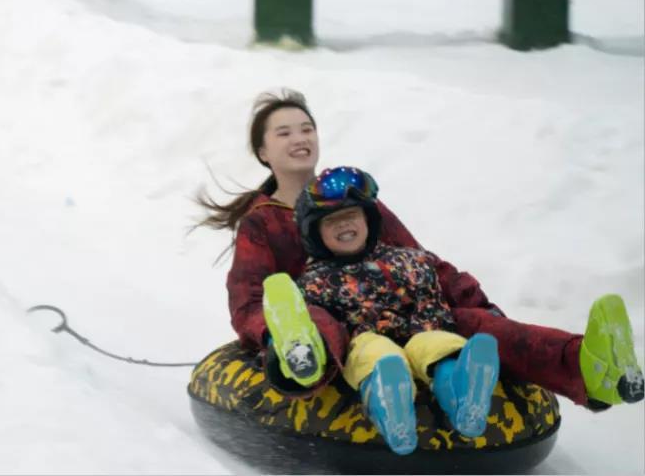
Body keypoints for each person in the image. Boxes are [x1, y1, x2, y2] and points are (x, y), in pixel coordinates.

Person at [198, 89, 645, 412]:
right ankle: (300, 351)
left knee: (480, 327)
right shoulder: (263, 221)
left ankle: (595, 369)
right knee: (319, 322)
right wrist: (269, 334)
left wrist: (480, 309)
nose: (300, 138)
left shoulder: (354, 198)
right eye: (283, 132)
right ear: (262, 151)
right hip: (335, 323)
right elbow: (251, 298)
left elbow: (420, 263)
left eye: (307, 128)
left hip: (404, 318)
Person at [266, 165, 501, 455]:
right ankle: (391, 408)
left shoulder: (409, 260)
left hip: (420, 333)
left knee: (441, 345)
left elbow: (444, 293)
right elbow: (318, 326)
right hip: (364, 341)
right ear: (314, 233)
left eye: (351, 215)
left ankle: (463, 397)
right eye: (331, 222)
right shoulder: (314, 281)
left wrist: (484, 312)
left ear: (369, 219)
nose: (343, 225)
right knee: (376, 354)